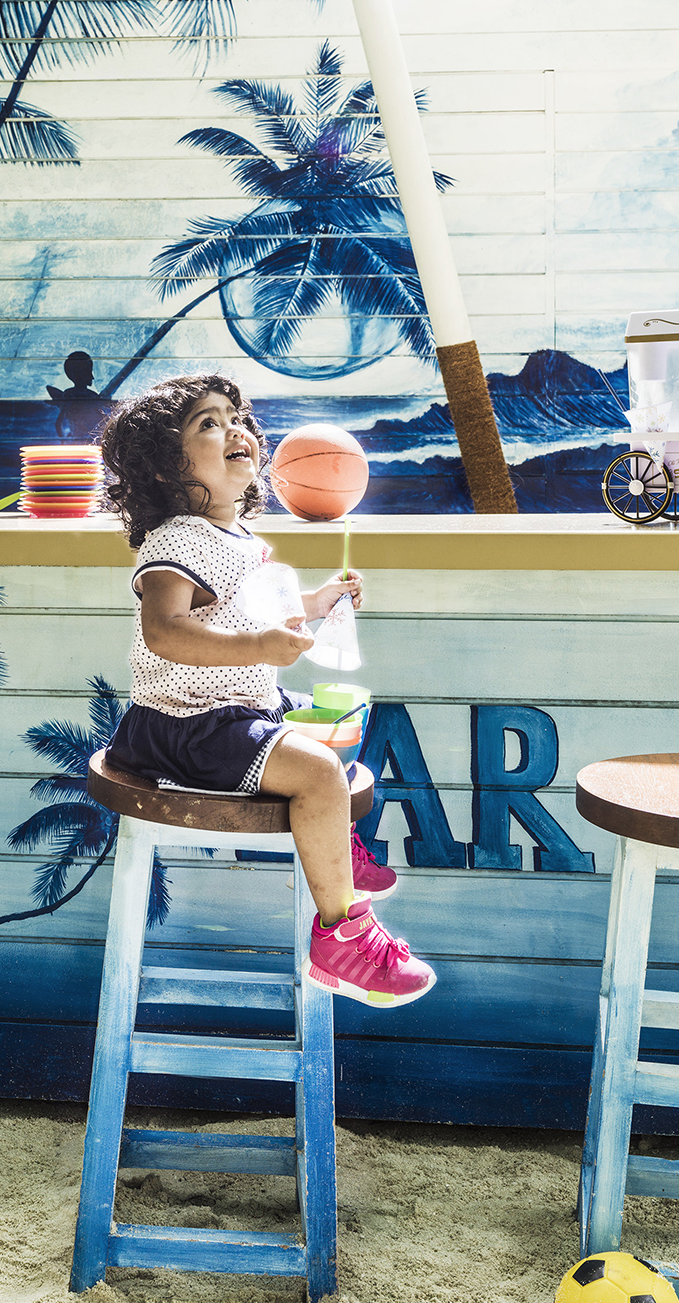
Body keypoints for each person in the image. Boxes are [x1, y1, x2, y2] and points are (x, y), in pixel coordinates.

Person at [100, 372, 436, 1009]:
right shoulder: (177, 540)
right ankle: (342, 934)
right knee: (315, 770)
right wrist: (258, 650)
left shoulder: (238, 540)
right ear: (167, 470)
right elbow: (166, 631)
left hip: (236, 709)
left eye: (236, 418)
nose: (234, 429)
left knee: (333, 725)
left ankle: (334, 849)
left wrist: (316, 602)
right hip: (186, 723)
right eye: (208, 423)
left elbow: (254, 610)